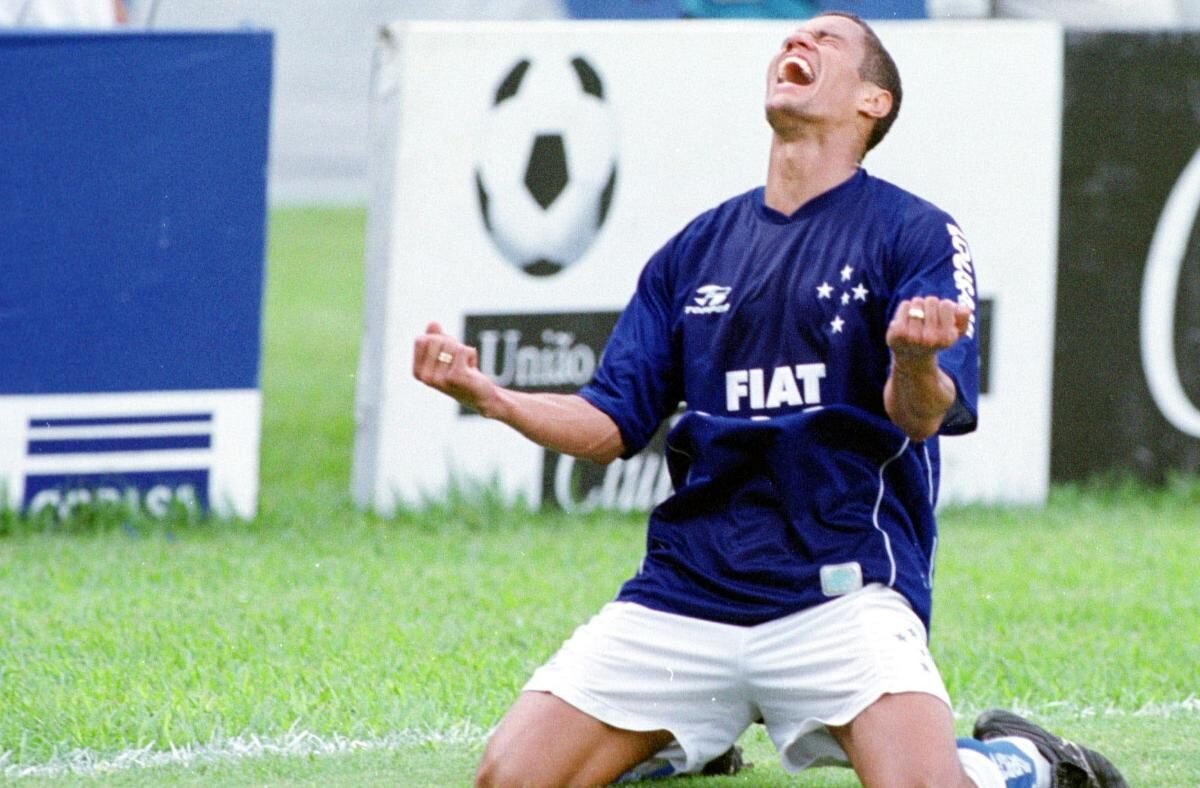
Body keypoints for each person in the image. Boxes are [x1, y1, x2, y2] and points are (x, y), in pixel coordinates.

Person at [414, 12, 1127, 788]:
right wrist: (491, 397)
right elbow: (608, 426)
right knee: (507, 779)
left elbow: (923, 415)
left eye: (827, 41)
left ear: (873, 102)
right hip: (689, 591)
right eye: (792, 37)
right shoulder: (693, 249)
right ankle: (678, 736)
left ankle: (1020, 763)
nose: (797, 43)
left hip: (842, 588)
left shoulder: (914, 232)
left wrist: (913, 356)